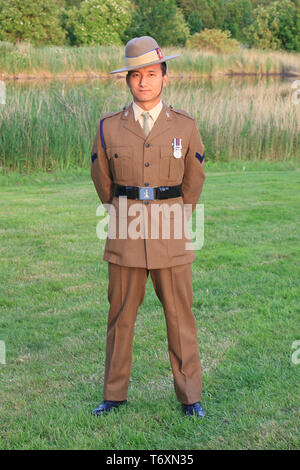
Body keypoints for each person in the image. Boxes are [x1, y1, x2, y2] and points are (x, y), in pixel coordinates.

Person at [90, 36, 206, 418]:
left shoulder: (185, 127)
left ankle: (191, 398)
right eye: (136, 75)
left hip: (171, 231)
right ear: (127, 80)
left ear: (164, 77)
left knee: (179, 314)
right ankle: (114, 394)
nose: (144, 82)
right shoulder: (109, 128)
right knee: (120, 315)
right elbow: (102, 180)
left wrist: (173, 216)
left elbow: (193, 180)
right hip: (126, 231)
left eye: (152, 74)